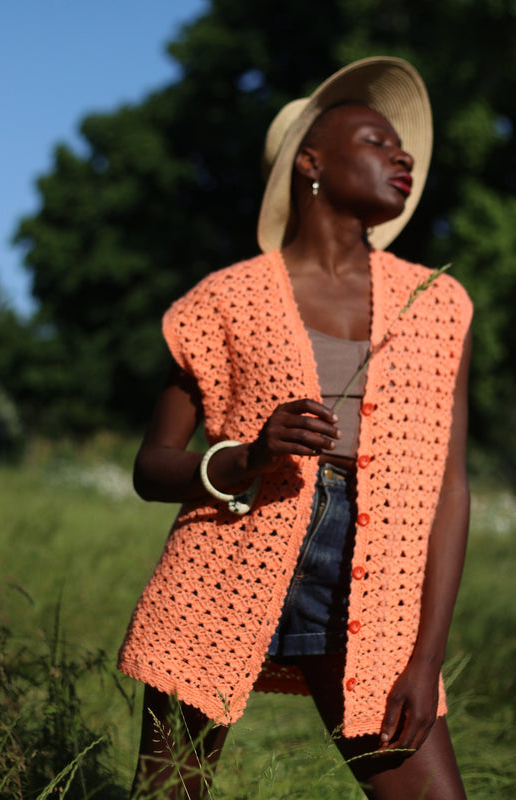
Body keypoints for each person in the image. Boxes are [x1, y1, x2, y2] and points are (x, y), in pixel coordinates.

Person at [118, 57, 472, 799]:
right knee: (168, 793)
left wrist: (425, 658)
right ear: (311, 161)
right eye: (376, 140)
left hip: (374, 589)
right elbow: (152, 467)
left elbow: (449, 489)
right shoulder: (225, 301)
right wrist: (249, 453)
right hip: (222, 564)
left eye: (402, 149)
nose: (400, 155)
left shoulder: (439, 306)